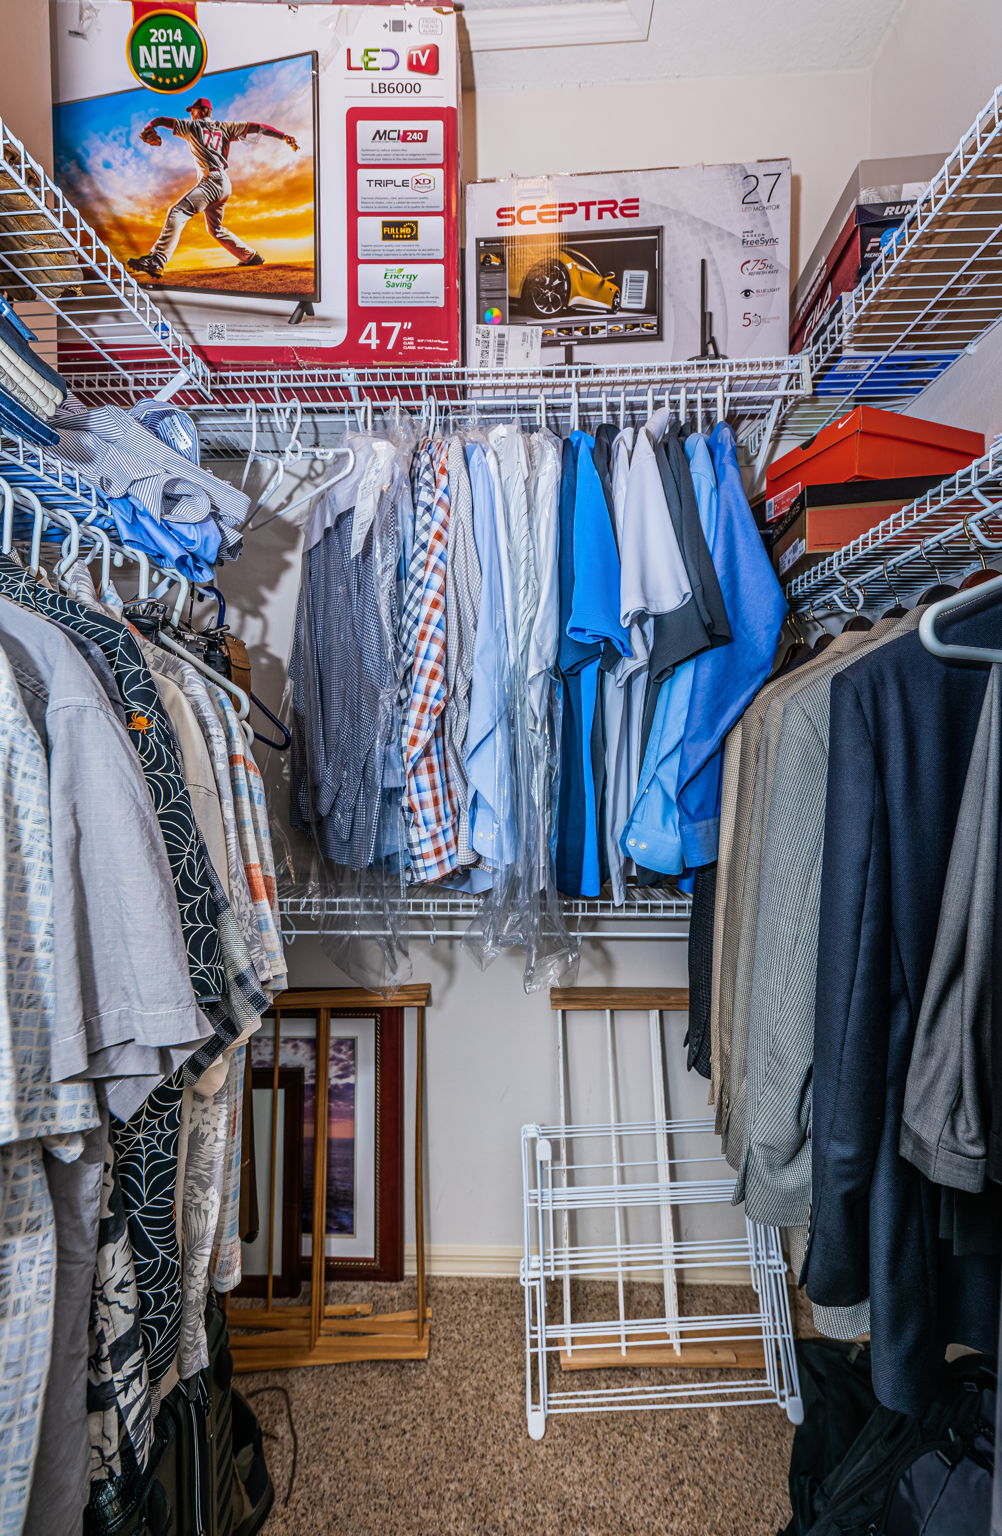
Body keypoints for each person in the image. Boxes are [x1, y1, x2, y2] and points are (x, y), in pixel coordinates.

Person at [128, 96, 299, 278]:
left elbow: (161, 120)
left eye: (192, 110)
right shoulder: (226, 127)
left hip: (211, 181)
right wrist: (284, 136)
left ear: (202, 111)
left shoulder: (191, 127)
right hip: (224, 183)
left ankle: (157, 259)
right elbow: (261, 127)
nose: (190, 114)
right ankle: (251, 257)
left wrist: (148, 128)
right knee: (215, 229)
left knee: (177, 212)